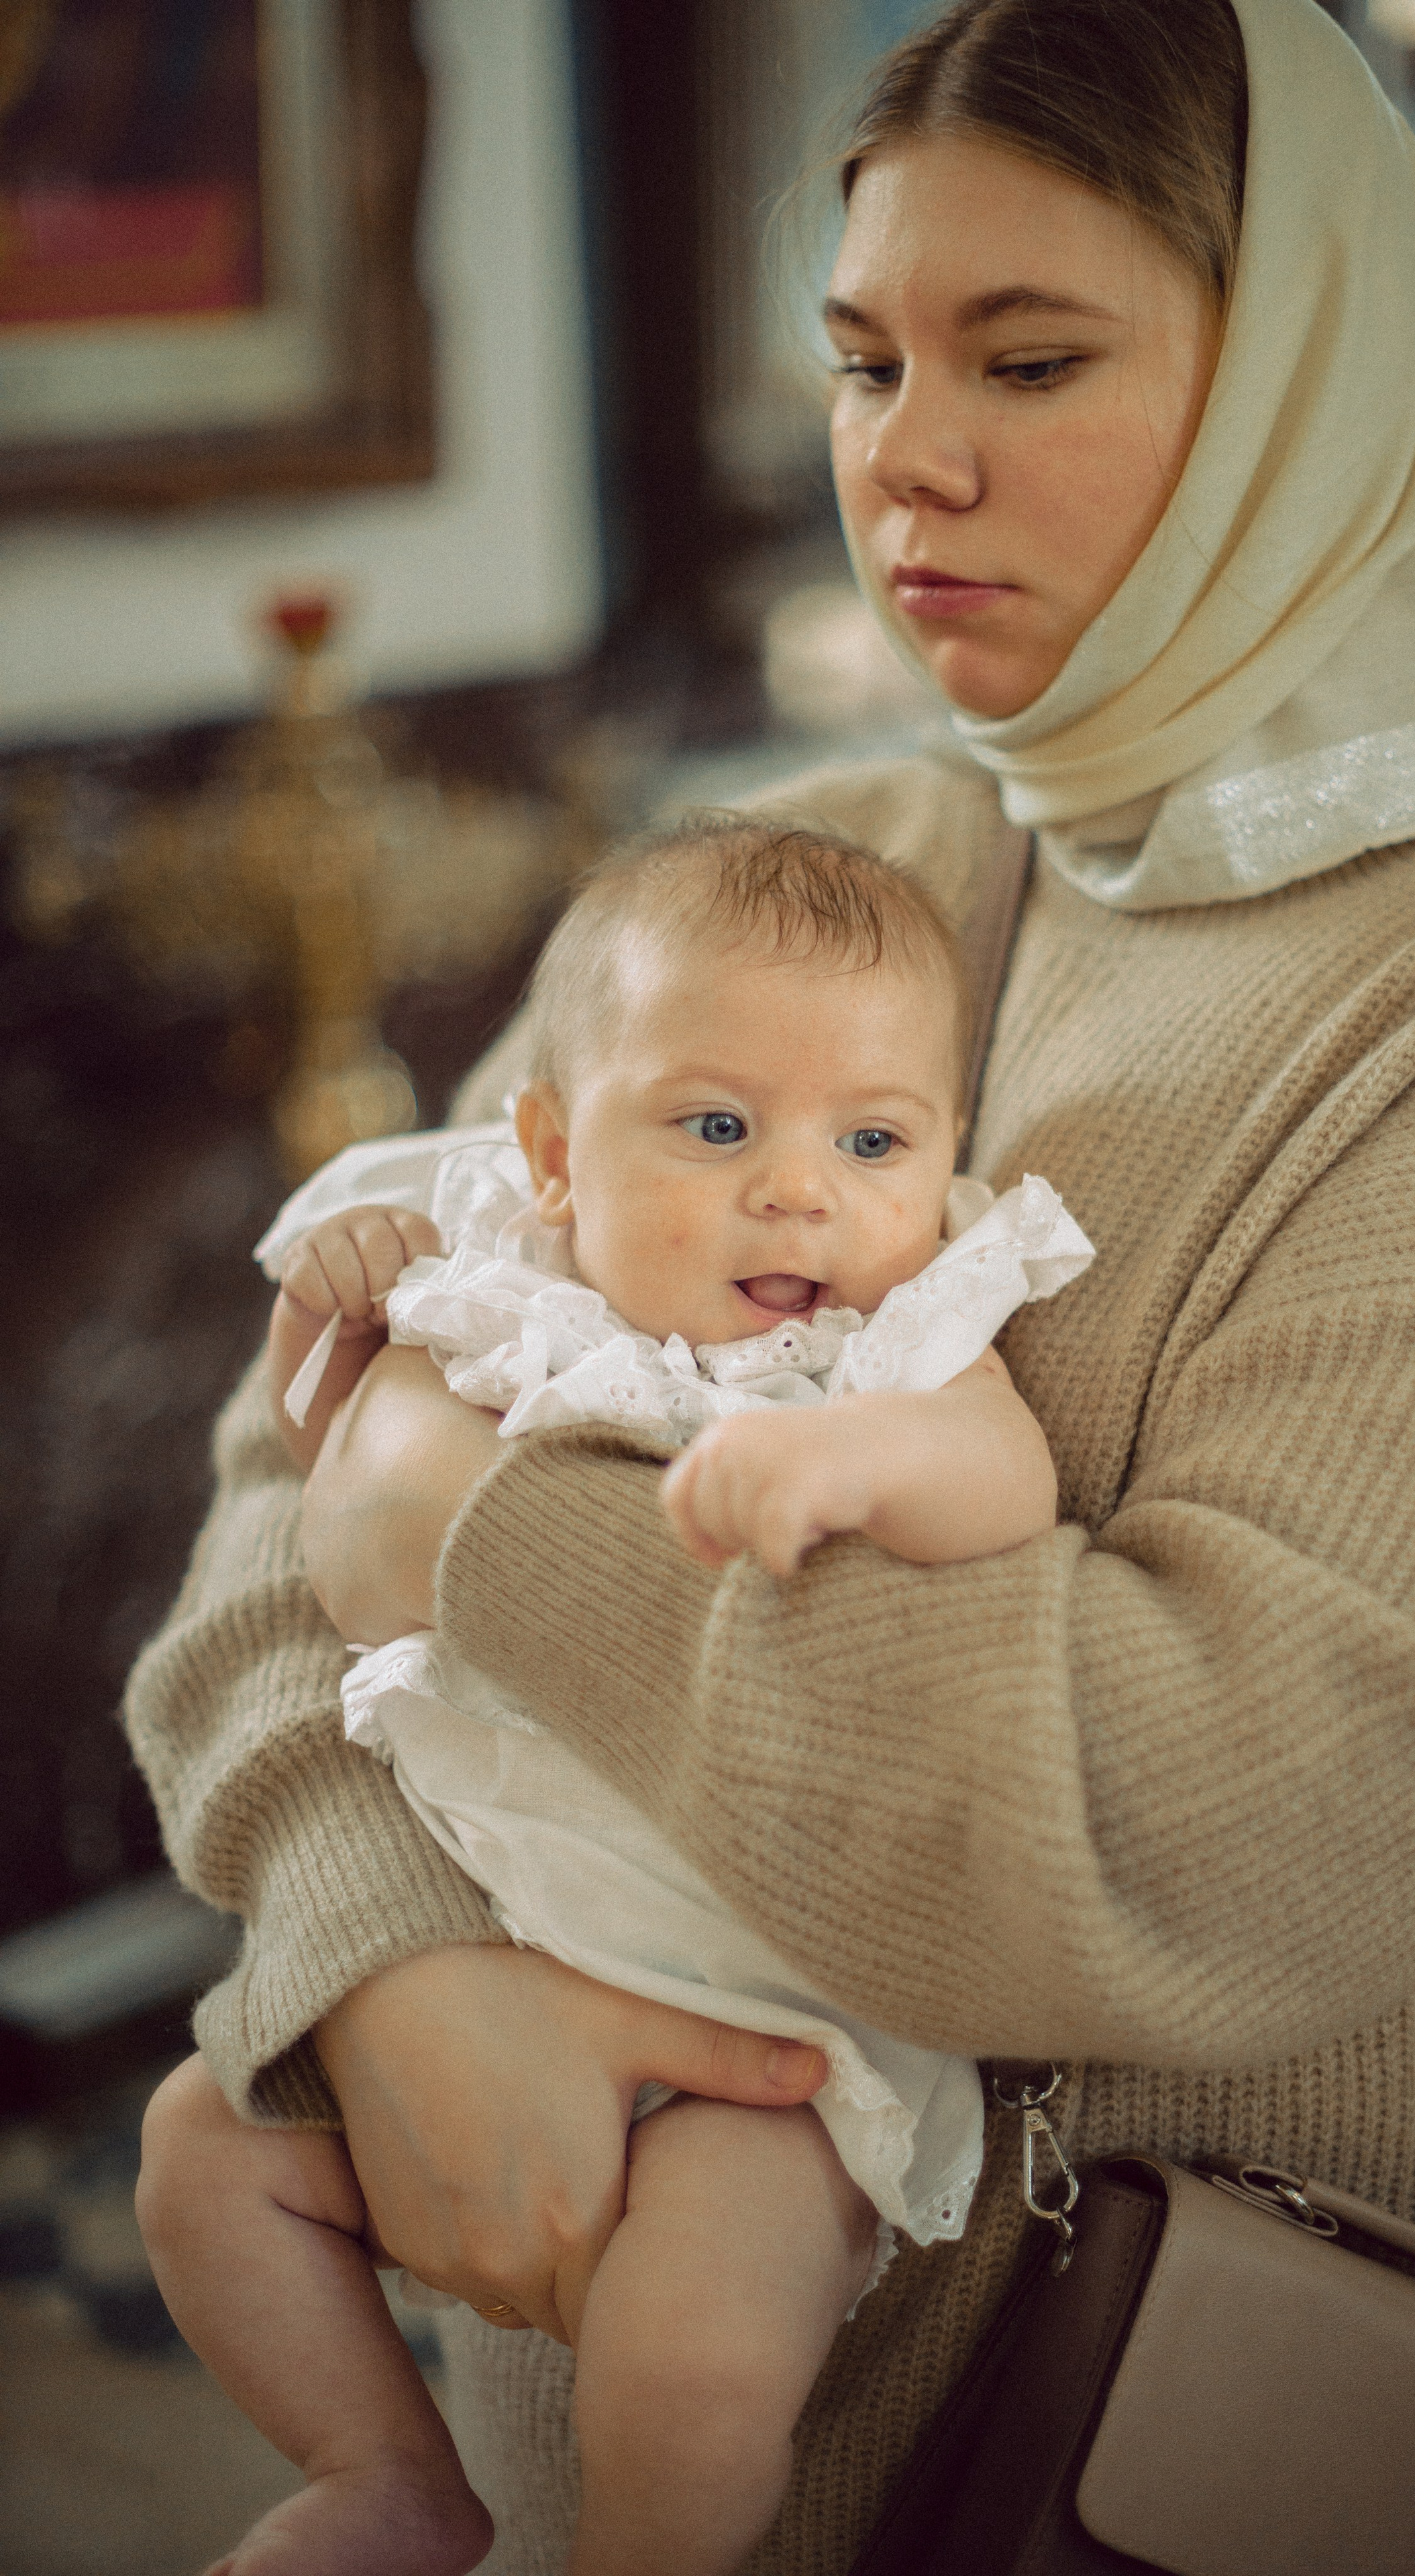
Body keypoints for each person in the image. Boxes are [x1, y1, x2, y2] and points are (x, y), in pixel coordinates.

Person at [124, 1, 1415, 2570]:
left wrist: (457, 1519)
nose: (908, 457)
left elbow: (1169, 1841)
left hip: (1191, 2468)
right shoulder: (819, 857)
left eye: (1031, 356)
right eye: (866, 357)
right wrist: (391, 1948)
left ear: (1317, 378)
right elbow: (251, 1505)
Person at [136, 819, 1092, 2576]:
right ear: (557, 1152)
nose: (800, 1189)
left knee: (700, 2360)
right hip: (492, 1936)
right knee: (204, 2150)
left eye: (873, 1139)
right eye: (717, 1128)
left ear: (945, 1153)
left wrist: (857, 1455)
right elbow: (316, 1485)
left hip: (764, 2033)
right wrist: (335, 1336)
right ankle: (384, 2476)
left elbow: (1004, 1484)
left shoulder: (889, 1339)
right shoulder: (510, 1277)